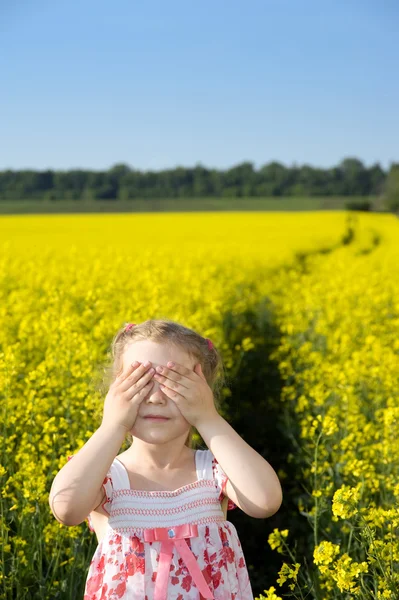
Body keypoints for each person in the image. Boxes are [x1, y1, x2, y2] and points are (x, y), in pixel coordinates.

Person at [49, 319, 283, 599]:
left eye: (174, 384)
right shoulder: (105, 477)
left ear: (203, 393)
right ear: (115, 392)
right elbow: (66, 508)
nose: (156, 398)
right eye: (140, 383)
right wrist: (112, 425)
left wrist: (208, 418)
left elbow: (265, 501)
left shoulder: (213, 470)